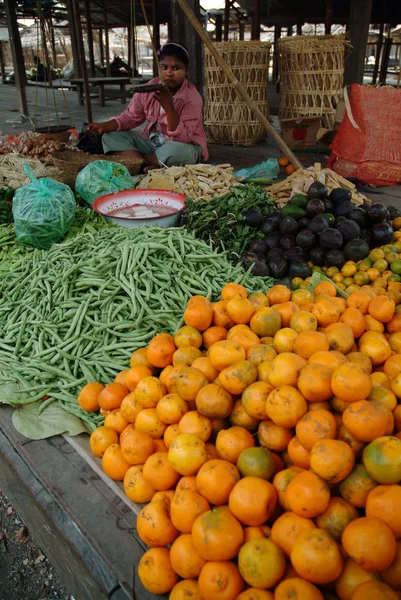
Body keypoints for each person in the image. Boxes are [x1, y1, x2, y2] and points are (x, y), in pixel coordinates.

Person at [86, 42, 208, 170]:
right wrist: (103, 126)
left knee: (176, 150)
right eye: (164, 67)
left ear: (186, 70)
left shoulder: (192, 98)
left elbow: (182, 138)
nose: (169, 73)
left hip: (184, 146)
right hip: (152, 144)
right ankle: (148, 164)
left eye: (176, 68)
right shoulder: (150, 88)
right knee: (111, 136)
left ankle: (138, 162)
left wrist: (169, 108)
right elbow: (130, 117)